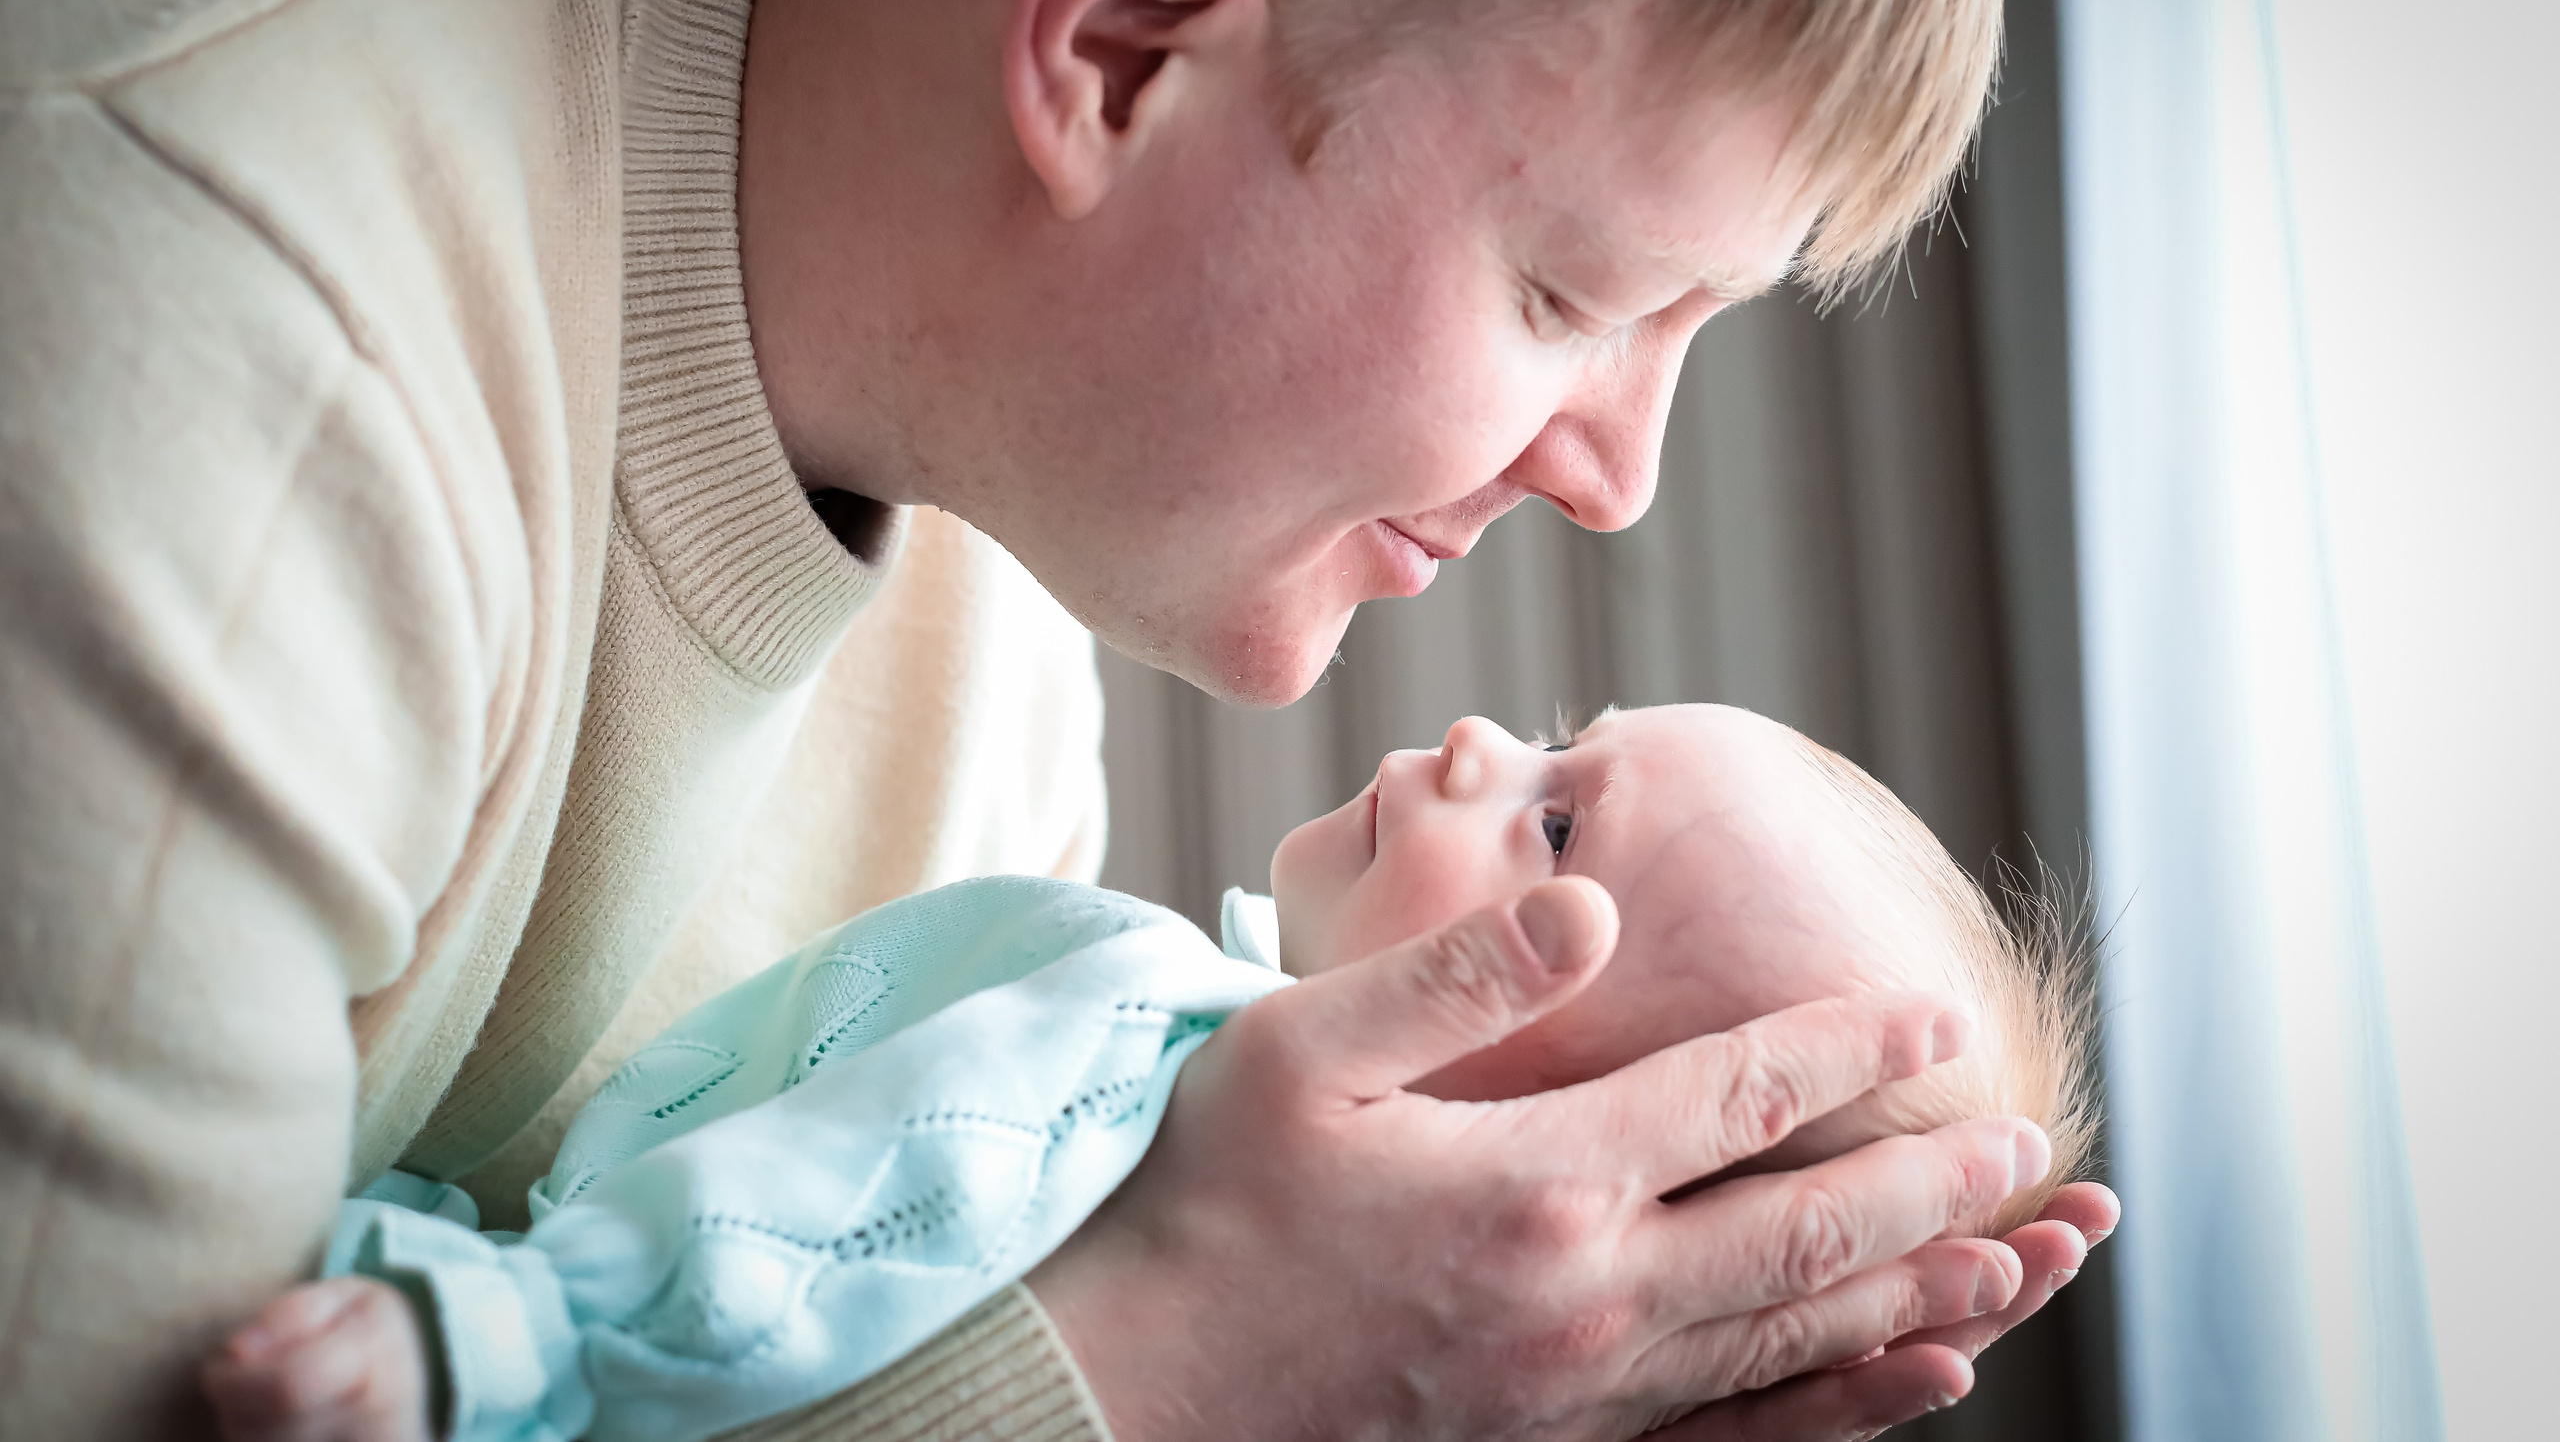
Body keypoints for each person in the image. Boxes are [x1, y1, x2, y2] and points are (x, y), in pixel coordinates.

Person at [0, 0, 2119, 1438]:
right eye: (1567, 290)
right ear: (1123, 45)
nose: (1620, 479)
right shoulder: (183, 357)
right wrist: (1178, 1365)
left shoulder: (988, 636)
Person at [202, 706, 2099, 1442]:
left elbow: (842, 1203)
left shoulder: (1145, 1018)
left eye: (1554, 826)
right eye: (1556, 743)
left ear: (1555, 1153)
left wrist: (509, 1331)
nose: (1469, 741)